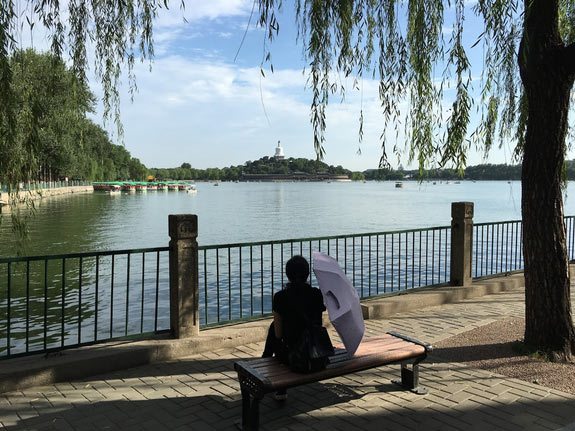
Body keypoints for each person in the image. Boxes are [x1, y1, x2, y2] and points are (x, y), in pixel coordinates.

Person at [262, 255, 327, 398]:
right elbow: (318, 325)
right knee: (278, 328)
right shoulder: (316, 294)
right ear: (307, 274)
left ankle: (273, 376)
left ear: (287, 275)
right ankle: (265, 361)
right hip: (316, 354)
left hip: (294, 357)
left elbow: (278, 335)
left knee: (274, 327)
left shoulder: (280, 297)